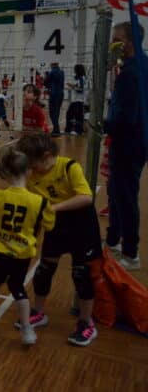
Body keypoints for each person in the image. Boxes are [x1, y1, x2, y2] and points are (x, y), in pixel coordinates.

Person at [16, 133, 102, 346]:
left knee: (81, 275)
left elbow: (86, 197)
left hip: (82, 224)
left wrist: (53, 208)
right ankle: (39, 311)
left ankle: (86, 323)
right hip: (56, 224)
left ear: (46, 155)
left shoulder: (69, 167)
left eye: (33, 163)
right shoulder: (33, 175)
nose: (31, 169)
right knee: (44, 270)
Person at [0, 145, 54, 349]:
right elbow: (50, 224)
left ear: (6, 172)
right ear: (29, 172)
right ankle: (27, 331)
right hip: (22, 255)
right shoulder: (40, 202)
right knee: (18, 288)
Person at [104, 21, 147, 270]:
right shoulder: (137, 66)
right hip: (136, 141)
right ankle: (113, 240)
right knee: (115, 191)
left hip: (129, 143)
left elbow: (126, 117)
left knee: (125, 196)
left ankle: (131, 254)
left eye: (116, 39)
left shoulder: (132, 72)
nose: (112, 43)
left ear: (128, 43)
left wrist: (102, 124)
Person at [65, 64, 87, 135]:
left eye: (75, 69)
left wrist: (72, 86)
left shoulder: (81, 78)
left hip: (78, 100)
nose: (74, 71)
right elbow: (79, 86)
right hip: (76, 100)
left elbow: (80, 89)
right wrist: (73, 85)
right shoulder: (80, 78)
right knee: (71, 114)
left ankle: (77, 130)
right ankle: (70, 129)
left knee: (75, 115)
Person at [45, 62, 65, 136]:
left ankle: (56, 129)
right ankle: (56, 129)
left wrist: (49, 87)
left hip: (54, 94)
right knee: (57, 112)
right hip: (61, 94)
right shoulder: (62, 72)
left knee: (52, 112)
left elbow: (45, 82)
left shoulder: (52, 72)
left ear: (52, 65)